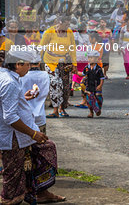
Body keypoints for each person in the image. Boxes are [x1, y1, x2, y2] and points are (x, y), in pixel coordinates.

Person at [0, 47, 65, 204]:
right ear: (17, 64)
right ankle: (9, 200)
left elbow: (8, 104)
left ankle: (37, 191)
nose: (29, 68)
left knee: (43, 151)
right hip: (14, 135)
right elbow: (10, 117)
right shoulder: (10, 82)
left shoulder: (8, 77)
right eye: (27, 65)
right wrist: (33, 133)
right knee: (13, 172)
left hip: (19, 134)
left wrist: (23, 98)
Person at [40, 17, 77, 118]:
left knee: (65, 86)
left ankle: (62, 108)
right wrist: (37, 61)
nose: (67, 27)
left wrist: (74, 64)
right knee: (55, 84)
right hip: (50, 62)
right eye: (65, 25)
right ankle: (55, 110)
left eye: (68, 25)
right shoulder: (49, 32)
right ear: (58, 23)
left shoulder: (69, 33)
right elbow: (42, 47)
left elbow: (72, 48)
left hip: (64, 63)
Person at [20, 52, 50, 134]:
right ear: (39, 63)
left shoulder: (22, 75)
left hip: (25, 116)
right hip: (41, 116)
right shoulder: (45, 75)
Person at [81, 52, 105, 118]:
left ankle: (98, 109)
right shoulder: (86, 68)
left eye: (91, 57)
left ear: (96, 59)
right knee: (89, 100)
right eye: (89, 57)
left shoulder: (99, 69)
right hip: (89, 87)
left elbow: (102, 78)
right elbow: (83, 74)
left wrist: (100, 85)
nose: (90, 59)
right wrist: (76, 72)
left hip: (96, 86)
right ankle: (91, 112)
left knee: (98, 99)